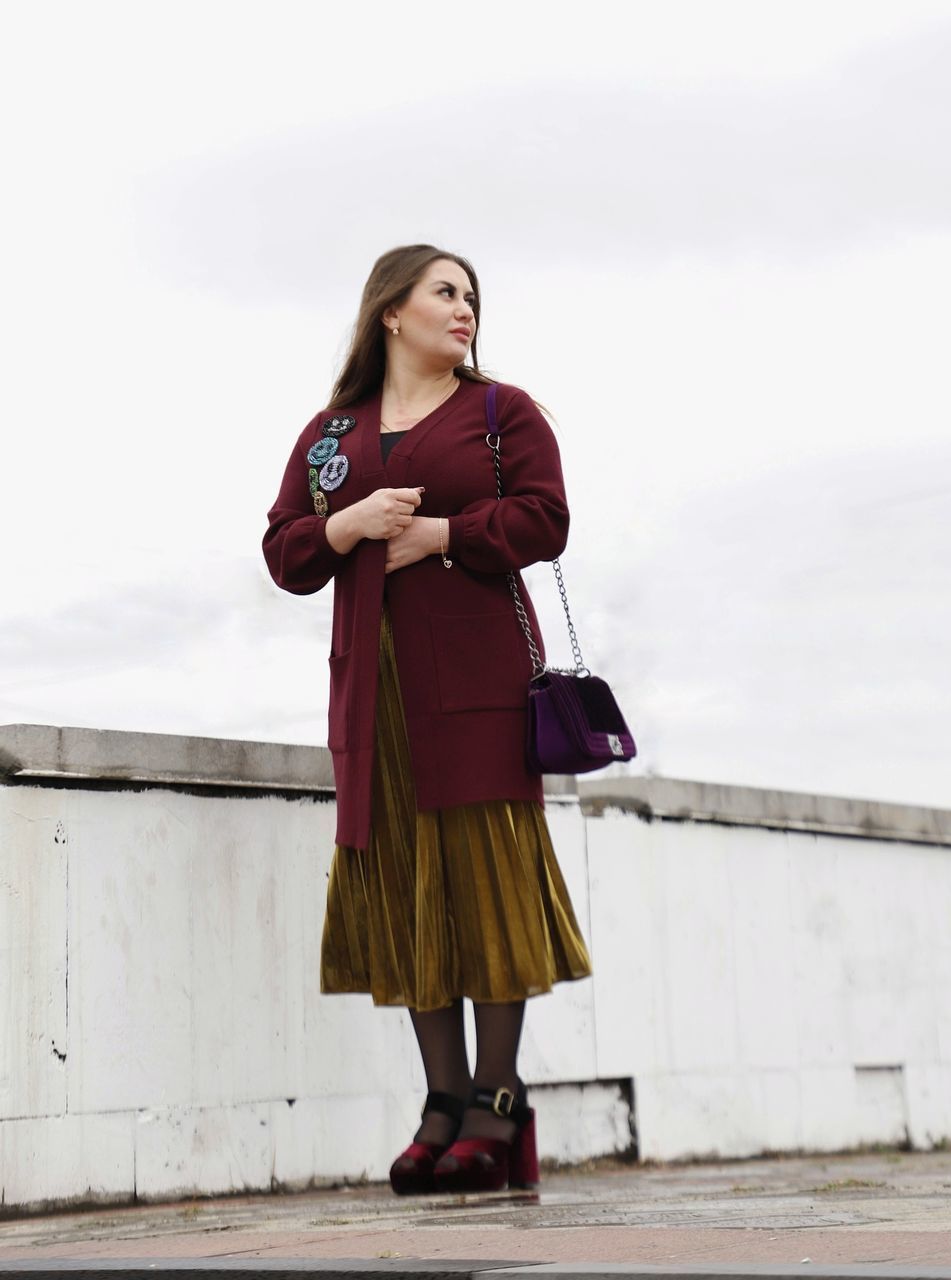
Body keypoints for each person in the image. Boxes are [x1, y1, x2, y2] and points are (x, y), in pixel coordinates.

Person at [263, 244, 592, 1195]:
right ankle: (441, 1102)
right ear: (390, 314)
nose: (465, 310)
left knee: (484, 883)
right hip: (375, 699)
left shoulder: (502, 412)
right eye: (445, 293)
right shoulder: (331, 435)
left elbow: (546, 519)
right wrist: (348, 524)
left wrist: (442, 534)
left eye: (472, 298)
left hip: (481, 689)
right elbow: (285, 550)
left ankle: (497, 1103)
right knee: (411, 890)